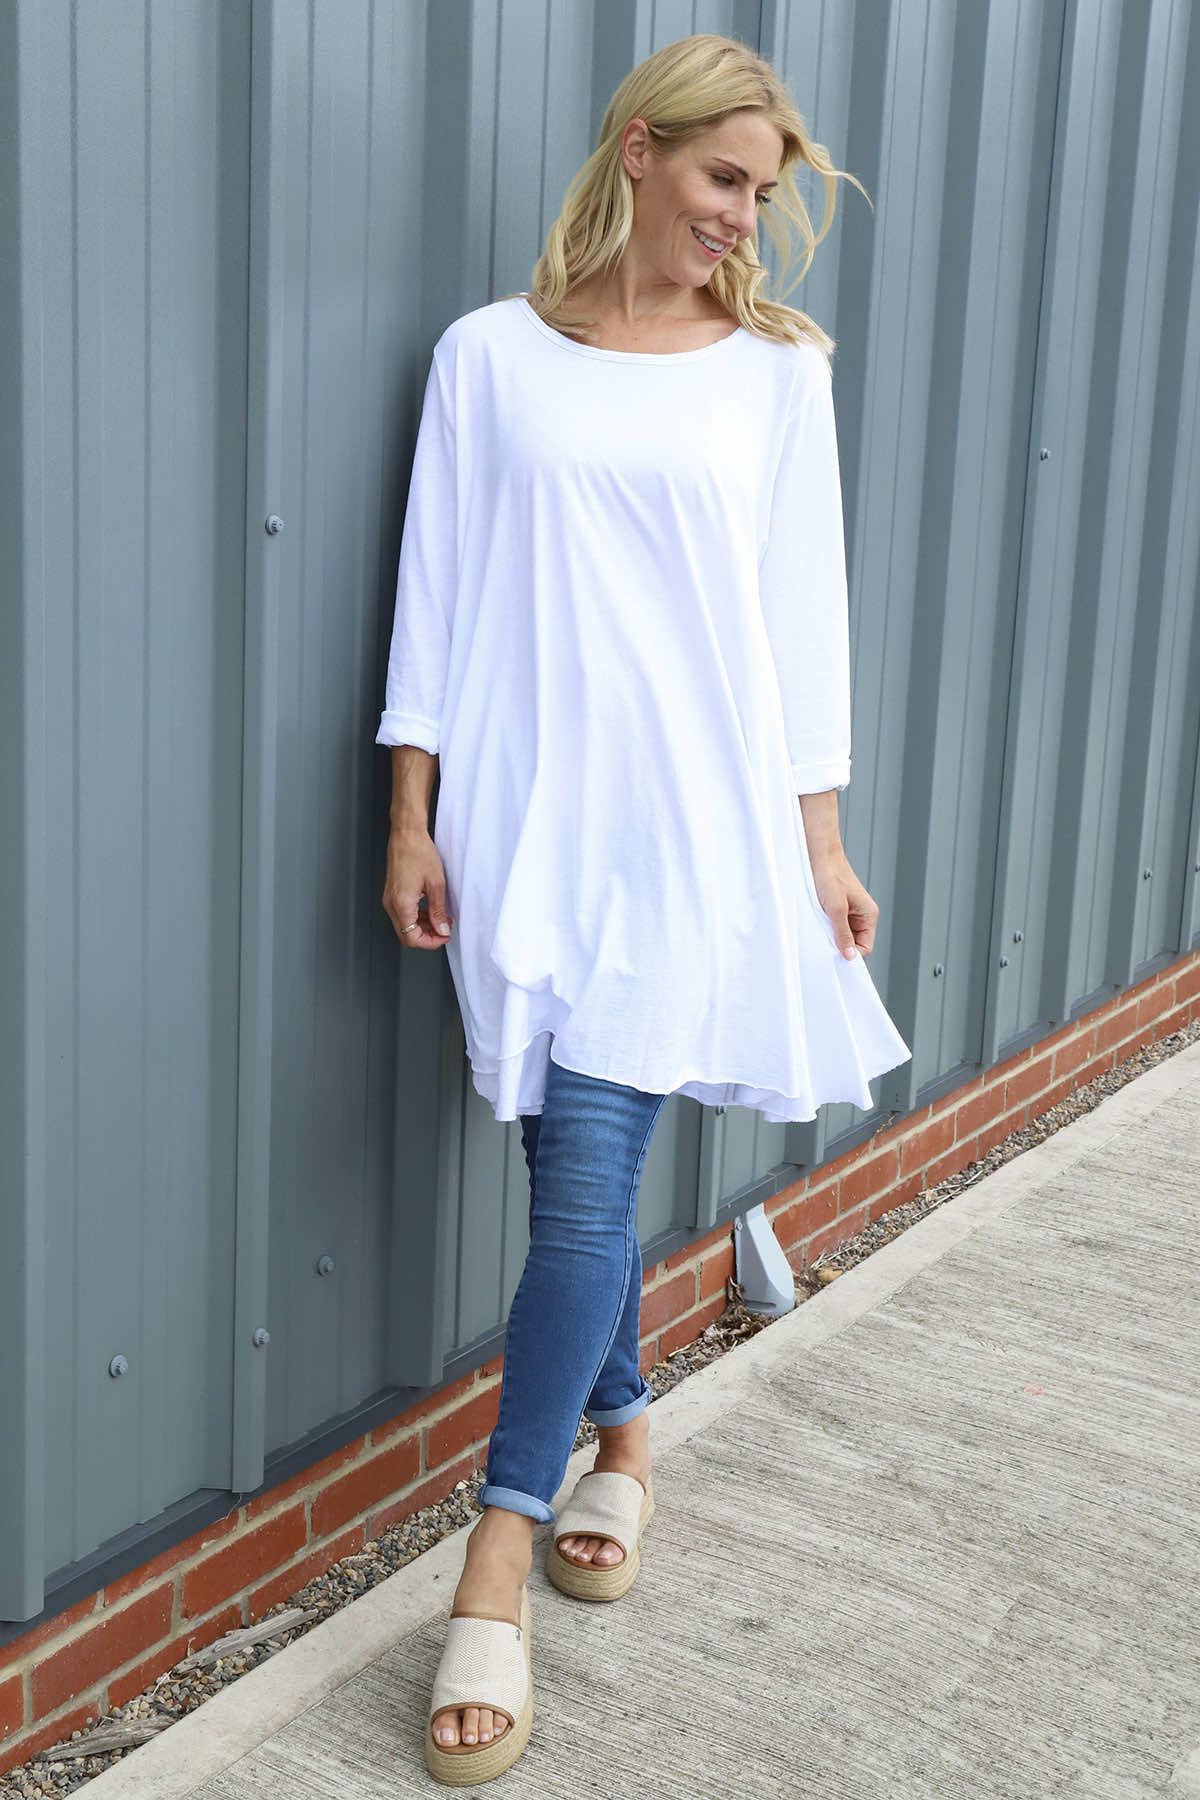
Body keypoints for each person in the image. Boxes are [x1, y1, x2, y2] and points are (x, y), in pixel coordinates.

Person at [376, 31, 912, 1786]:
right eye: (721, 177)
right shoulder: (488, 356)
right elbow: (435, 593)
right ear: (637, 150)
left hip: (690, 833)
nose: (742, 215)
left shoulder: (776, 374)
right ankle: (624, 1431)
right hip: (527, 823)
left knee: (588, 1183)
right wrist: (412, 817)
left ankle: (496, 1563)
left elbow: (805, 623)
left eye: (762, 191)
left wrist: (820, 845)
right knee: (572, 1181)